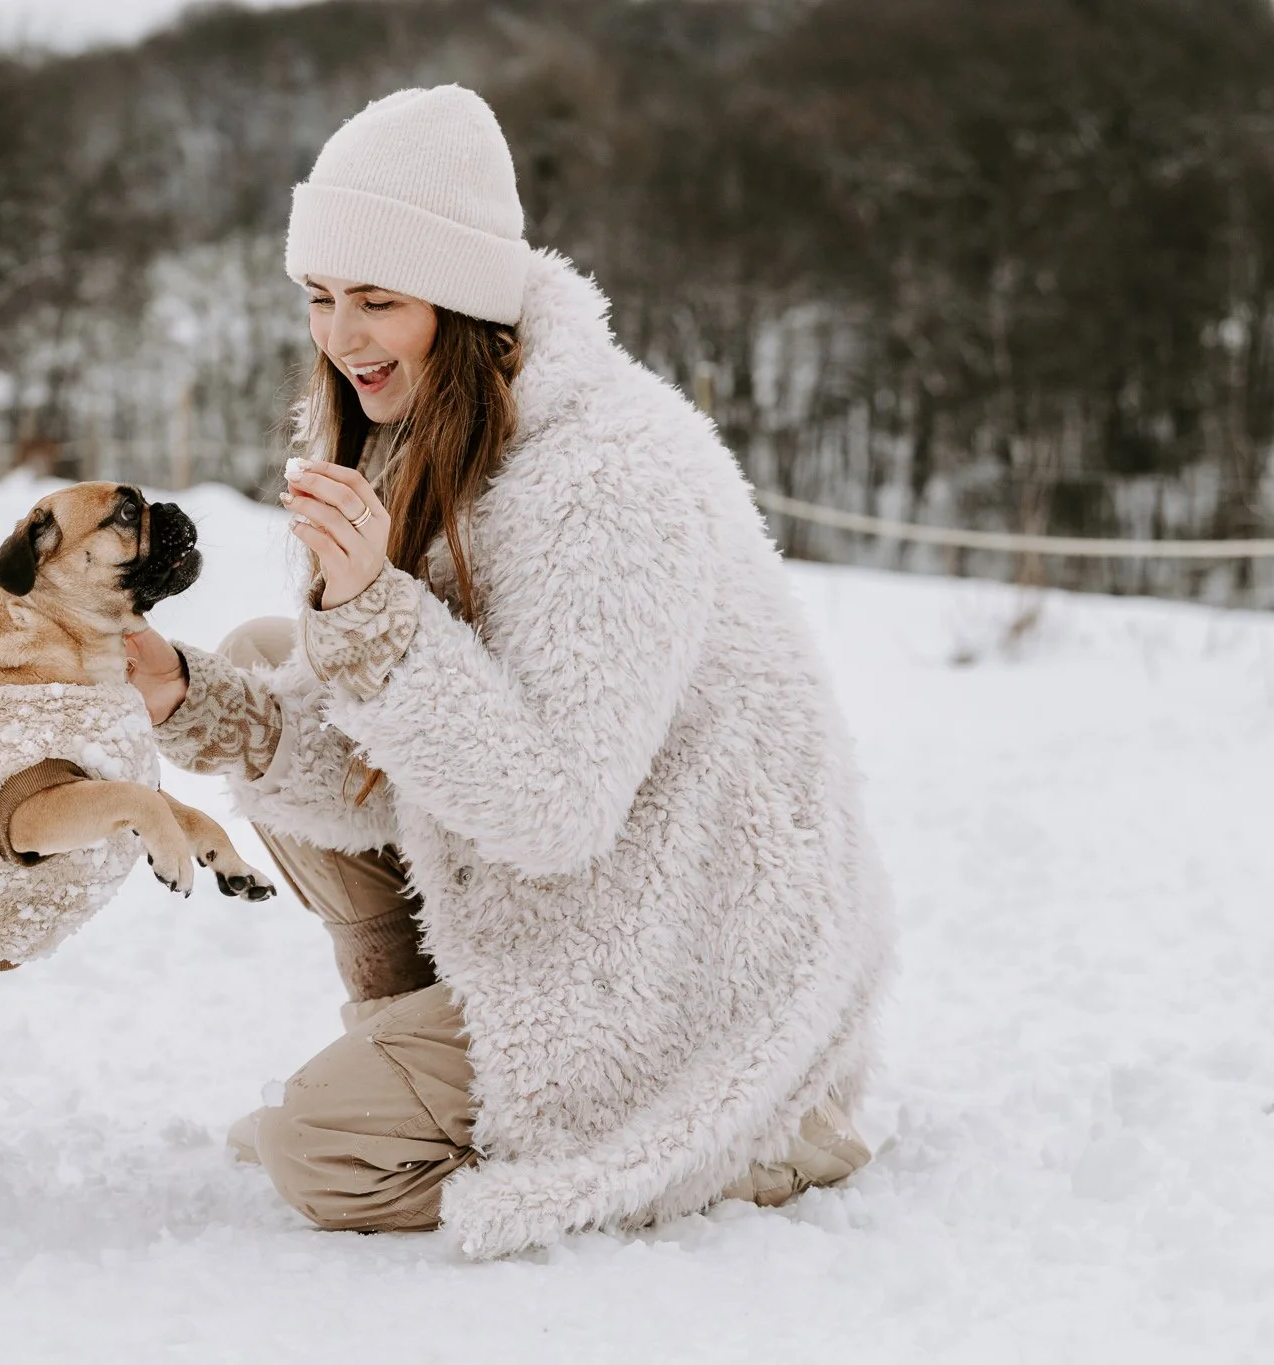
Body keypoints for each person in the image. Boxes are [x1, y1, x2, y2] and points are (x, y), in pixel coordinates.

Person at [123, 85, 894, 1260]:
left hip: (694, 947)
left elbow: (553, 815)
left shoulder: (605, 478)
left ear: (464, 299)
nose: (342, 338)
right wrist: (186, 701)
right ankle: (410, 1034)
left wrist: (377, 618)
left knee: (320, 1155)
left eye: (378, 300)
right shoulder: (409, 429)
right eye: (322, 300)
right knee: (261, 668)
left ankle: (770, 1128)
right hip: (572, 884)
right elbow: (380, 751)